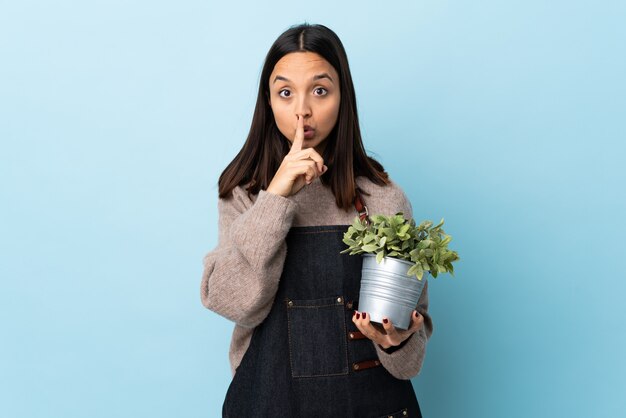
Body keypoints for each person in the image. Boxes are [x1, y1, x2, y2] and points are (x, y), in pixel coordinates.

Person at [200, 23, 433, 418]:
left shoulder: (383, 198)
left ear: (344, 98)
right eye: (285, 92)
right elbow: (232, 302)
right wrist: (276, 198)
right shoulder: (243, 192)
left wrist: (397, 339)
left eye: (320, 90)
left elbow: (408, 363)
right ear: (268, 101)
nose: (302, 109)